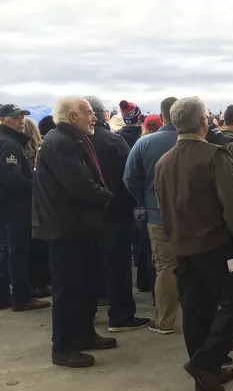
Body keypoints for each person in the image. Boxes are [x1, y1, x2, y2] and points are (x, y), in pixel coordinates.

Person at [155, 97, 233, 391]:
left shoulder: (164, 161)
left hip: (182, 245)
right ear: (203, 122)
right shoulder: (214, 156)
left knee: (196, 308)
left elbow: (163, 206)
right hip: (215, 243)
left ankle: (204, 370)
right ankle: (206, 362)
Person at [33, 97, 117, 368]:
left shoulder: (73, 140)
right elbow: (79, 185)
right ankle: (63, 346)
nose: (95, 118)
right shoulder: (61, 143)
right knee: (68, 289)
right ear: (72, 117)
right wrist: (109, 198)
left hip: (77, 227)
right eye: (90, 113)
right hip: (65, 229)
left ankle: (83, 334)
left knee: (84, 285)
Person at [85, 96, 151, 333]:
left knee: (89, 263)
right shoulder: (113, 141)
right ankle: (120, 314)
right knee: (117, 263)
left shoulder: (70, 142)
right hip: (116, 211)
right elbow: (130, 177)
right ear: (102, 115)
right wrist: (133, 202)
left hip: (84, 213)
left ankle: (87, 312)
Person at [124, 97, 179, 335]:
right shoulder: (201, 144)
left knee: (165, 268)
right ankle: (204, 319)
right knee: (196, 266)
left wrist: (146, 200)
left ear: (162, 114)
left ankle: (165, 321)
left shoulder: (144, 144)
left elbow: (129, 179)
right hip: (196, 218)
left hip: (158, 216)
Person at [0, 104, 51, 312]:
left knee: (6, 250)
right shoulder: (9, 144)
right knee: (17, 250)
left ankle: (5, 295)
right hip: (14, 206)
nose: (20, 120)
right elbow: (12, 179)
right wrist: (39, 186)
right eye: (15, 117)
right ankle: (22, 295)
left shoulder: (10, 142)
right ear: (3, 120)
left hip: (8, 205)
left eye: (22, 117)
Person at [23, 118, 51, 298]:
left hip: (21, 206)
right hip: (36, 205)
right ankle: (38, 283)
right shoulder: (40, 152)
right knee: (37, 246)